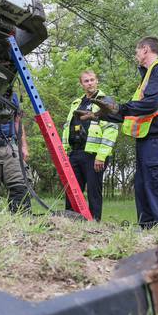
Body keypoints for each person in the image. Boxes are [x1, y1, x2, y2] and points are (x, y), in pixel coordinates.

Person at [81, 37, 158, 228]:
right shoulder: (148, 76)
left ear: (145, 49)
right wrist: (98, 115)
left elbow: (150, 104)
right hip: (146, 139)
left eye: (137, 51)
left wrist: (119, 107)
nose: (136, 55)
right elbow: (131, 112)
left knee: (155, 183)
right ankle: (147, 226)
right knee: (142, 185)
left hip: (156, 138)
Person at [61, 70, 119, 221]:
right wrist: (65, 153)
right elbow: (68, 127)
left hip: (94, 156)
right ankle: (70, 222)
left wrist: (101, 156)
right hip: (74, 153)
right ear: (81, 84)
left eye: (92, 80)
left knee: (94, 191)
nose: (90, 83)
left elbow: (111, 130)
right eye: (86, 81)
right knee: (72, 191)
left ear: (97, 81)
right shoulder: (76, 104)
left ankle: (94, 224)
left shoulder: (106, 101)